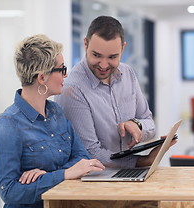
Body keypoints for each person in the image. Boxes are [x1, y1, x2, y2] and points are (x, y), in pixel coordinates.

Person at [0, 34, 105, 208]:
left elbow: (82, 157)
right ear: (42, 78)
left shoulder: (56, 111)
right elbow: (9, 191)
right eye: (62, 69)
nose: (65, 76)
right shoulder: (7, 126)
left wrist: (48, 176)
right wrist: (64, 174)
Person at [55, 16, 158, 169]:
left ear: (122, 48)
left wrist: (136, 125)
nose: (103, 65)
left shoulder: (127, 73)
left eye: (112, 57)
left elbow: (149, 123)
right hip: (96, 178)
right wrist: (142, 161)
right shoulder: (72, 89)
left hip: (126, 174)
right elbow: (91, 152)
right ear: (85, 44)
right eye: (96, 55)